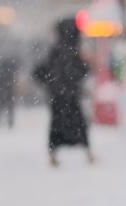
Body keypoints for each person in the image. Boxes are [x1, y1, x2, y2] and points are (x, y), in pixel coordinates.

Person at [33, 18, 92, 167]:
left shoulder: (56, 51)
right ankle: (88, 153)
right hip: (70, 95)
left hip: (58, 96)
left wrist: (50, 84)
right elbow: (80, 71)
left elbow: (41, 71)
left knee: (56, 126)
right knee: (79, 124)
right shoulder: (73, 51)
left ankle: (53, 155)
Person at [0, 56, 18, 129]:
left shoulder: (0, 71)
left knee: (0, 107)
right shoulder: (10, 71)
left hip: (1, 92)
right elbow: (12, 82)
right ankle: (10, 122)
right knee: (9, 107)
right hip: (8, 92)